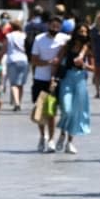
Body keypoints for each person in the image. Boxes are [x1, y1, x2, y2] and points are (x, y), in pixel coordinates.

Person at [31, 16, 70, 152]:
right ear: (48, 25)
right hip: (40, 78)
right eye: (52, 26)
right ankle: (42, 136)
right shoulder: (39, 39)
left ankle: (52, 139)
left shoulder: (65, 39)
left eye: (57, 27)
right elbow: (34, 60)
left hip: (56, 80)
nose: (54, 29)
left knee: (52, 111)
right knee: (41, 110)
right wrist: (48, 63)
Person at [55, 23, 95, 154]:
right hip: (66, 78)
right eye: (80, 31)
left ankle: (70, 142)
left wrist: (83, 64)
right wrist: (53, 78)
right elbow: (57, 61)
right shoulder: (67, 46)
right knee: (66, 109)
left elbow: (95, 68)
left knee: (76, 111)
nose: (82, 34)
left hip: (80, 79)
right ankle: (62, 134)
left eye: (85, 32)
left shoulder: (88, 48)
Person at [5, 19, 29, 111]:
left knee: (13, 84)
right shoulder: (24, 36)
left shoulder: (9, 36)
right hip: (23, 59)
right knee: (21, 84)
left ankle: (17, 103)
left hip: (12, 60)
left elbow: (5, 48)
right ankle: (19, 102)